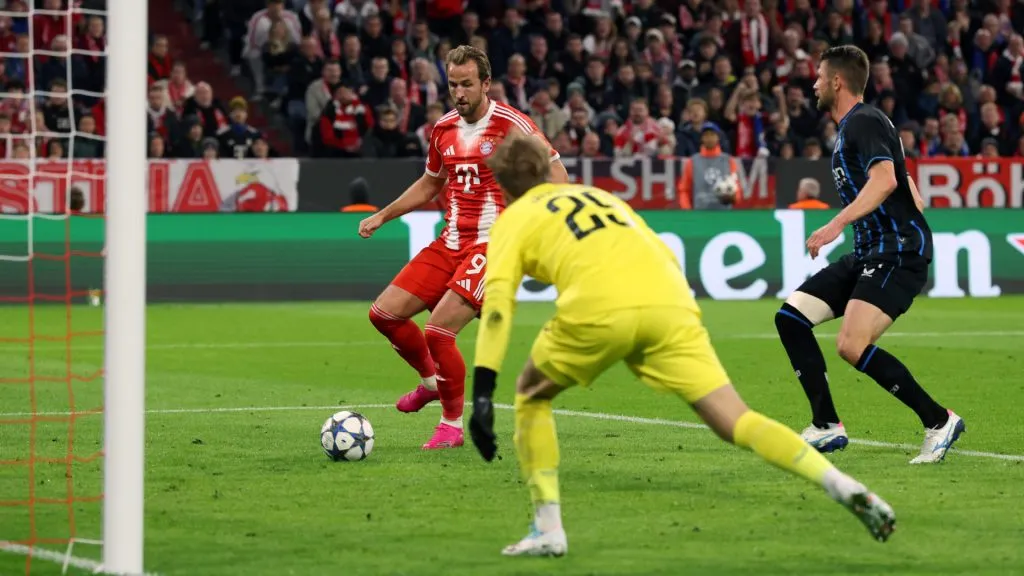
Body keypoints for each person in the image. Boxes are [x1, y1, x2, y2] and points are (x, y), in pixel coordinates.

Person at [468, 132, 896, 557]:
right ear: (545, 169)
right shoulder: (595, 197)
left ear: (503, 186)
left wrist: (484, 389)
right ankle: (843, 485)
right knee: (736, 420)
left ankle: (547, 528)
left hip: (599, 308)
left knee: (529, 394)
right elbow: (654, 248)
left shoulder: (513, 218)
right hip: (669, 299)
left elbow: (499, 307)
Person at [358, 45, 569, 450]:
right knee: (383, 314)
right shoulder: (443, 129)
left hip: (494, 244)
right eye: (453, 84)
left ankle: (451, 425)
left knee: (439, 330)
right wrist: (384, 215)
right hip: (451, 240)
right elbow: (430, 182)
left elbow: (554, 168)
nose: (459, 93)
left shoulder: (512, 124)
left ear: (486, 83)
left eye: (467, 84)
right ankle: (431, 384)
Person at [775, 45, 964, 463]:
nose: (815, 84)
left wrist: (834, 225)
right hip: (870, 251)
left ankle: (939, 421)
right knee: (791, 318)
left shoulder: (863, 120)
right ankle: (826, 425)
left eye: (820, 77)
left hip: (896, 251)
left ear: (838, 81)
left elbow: (884, 181)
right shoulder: (857, 127)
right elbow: (906, 184)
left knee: (851, 344)